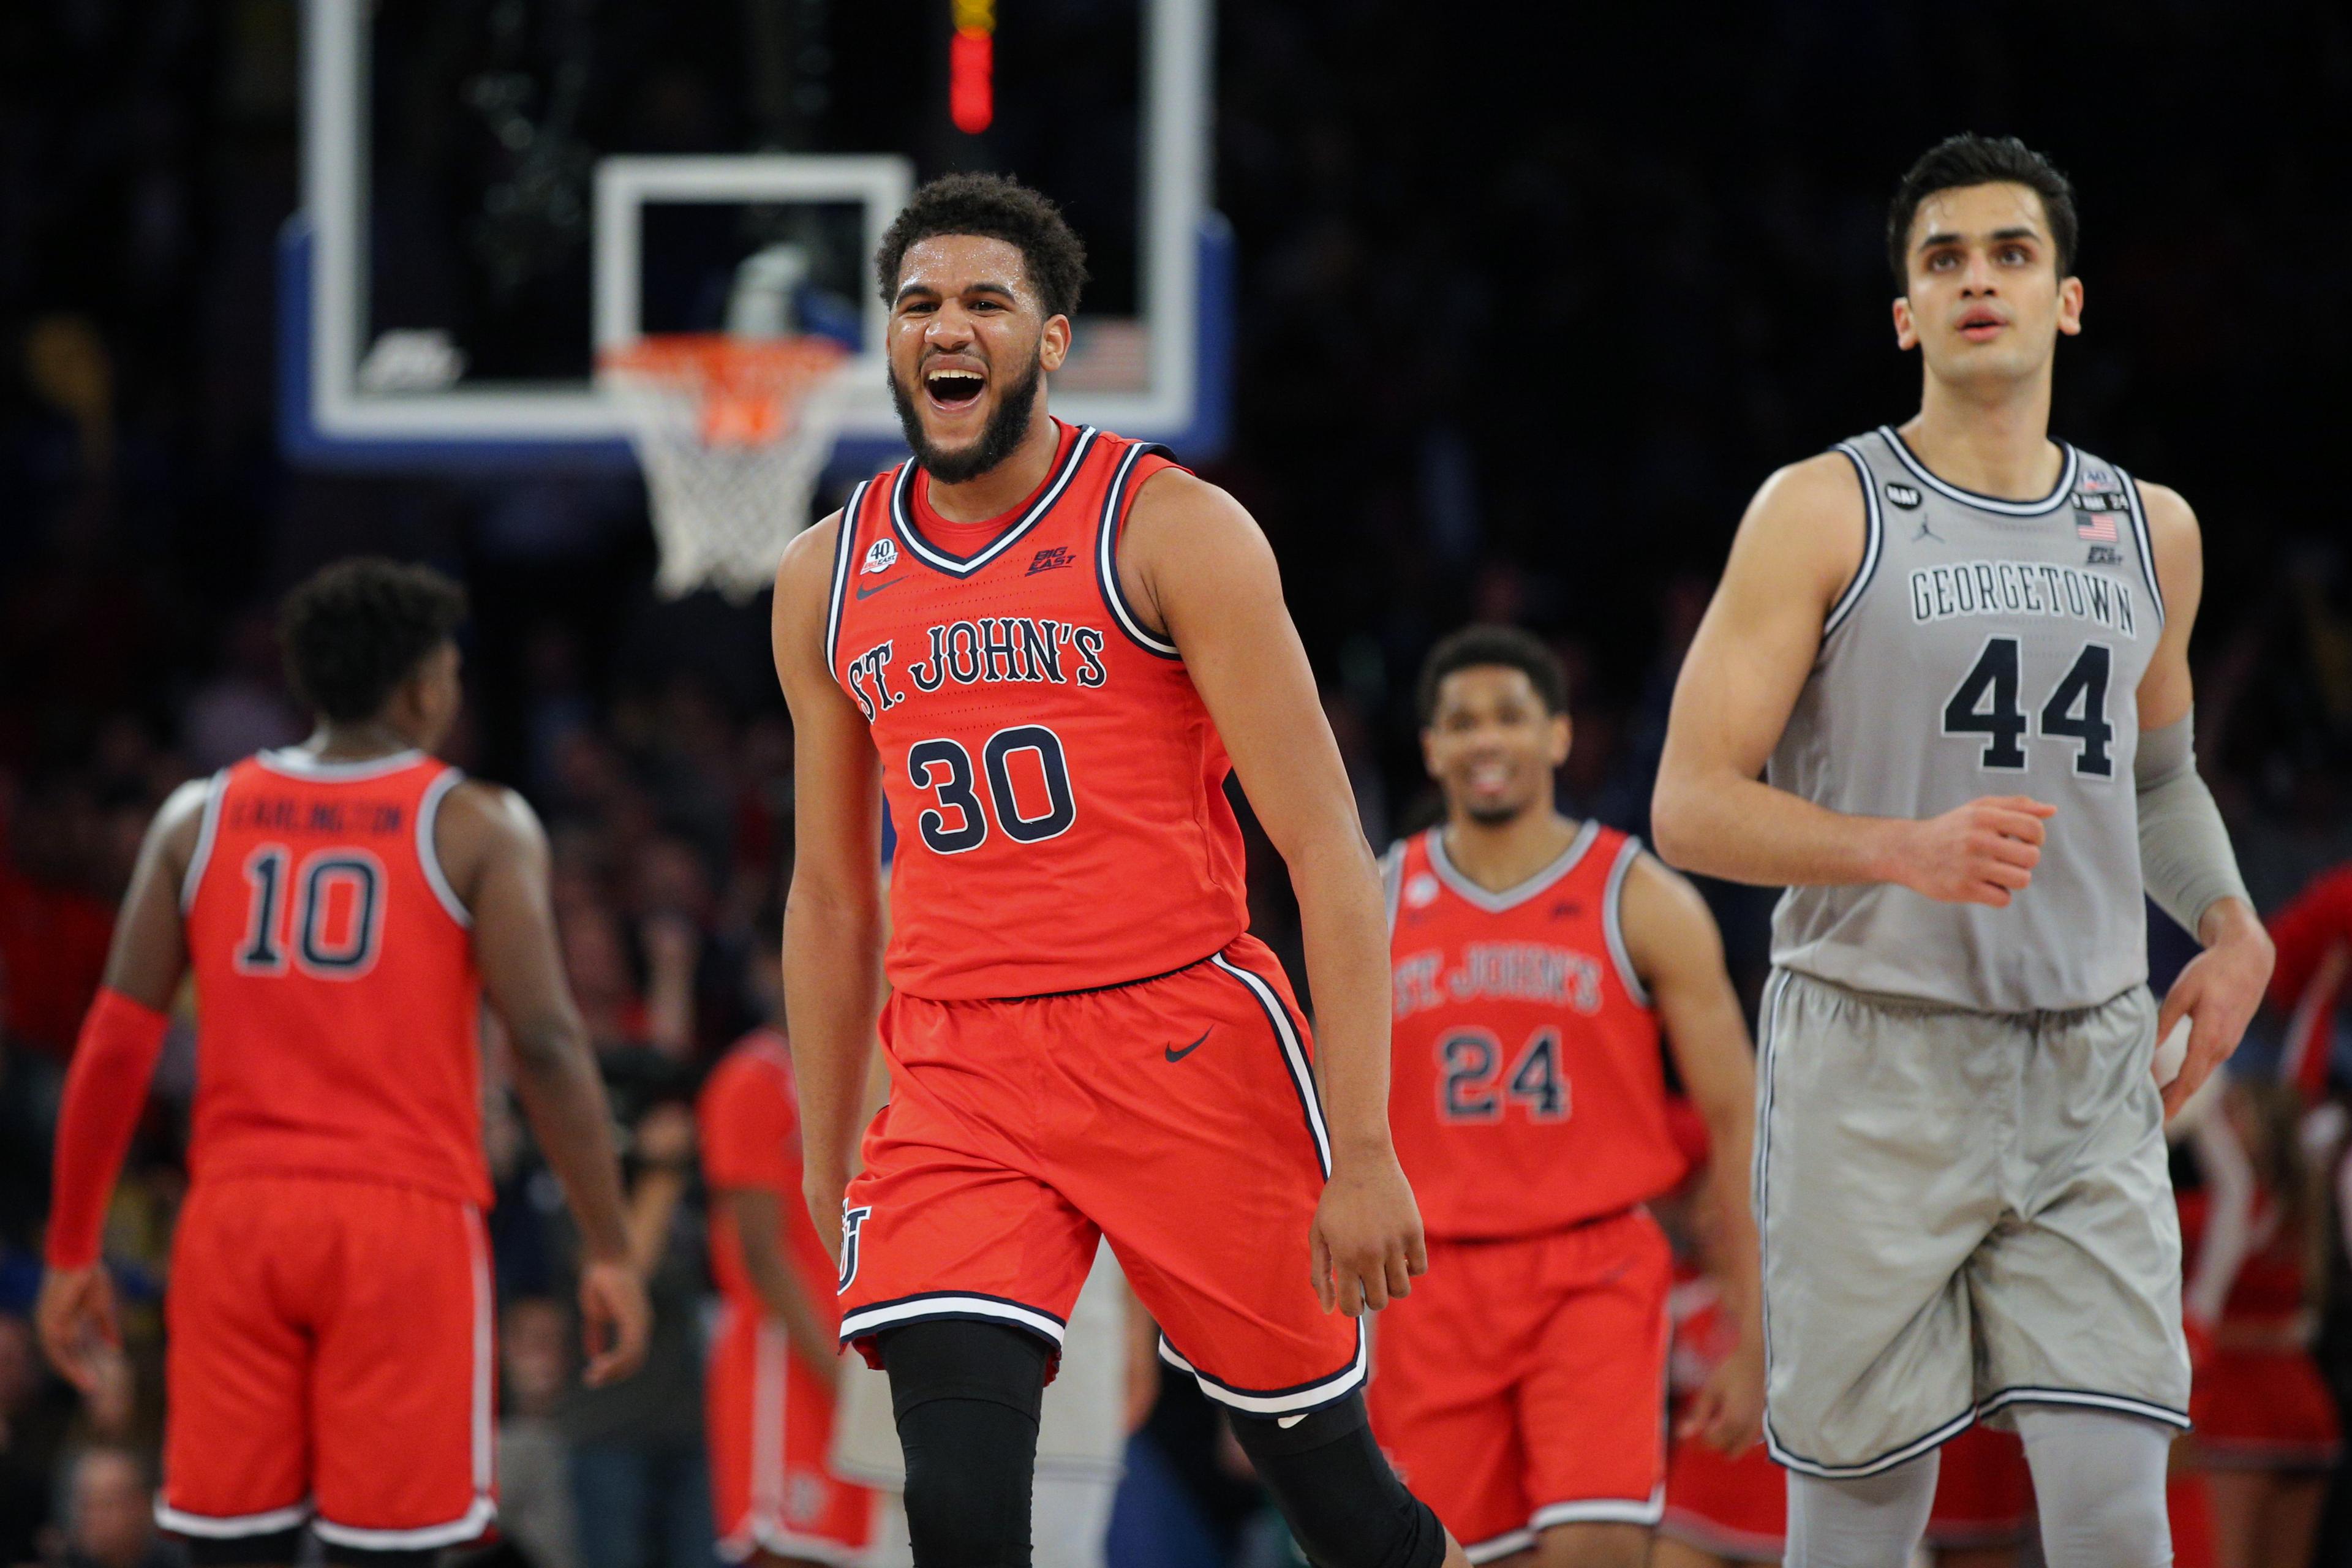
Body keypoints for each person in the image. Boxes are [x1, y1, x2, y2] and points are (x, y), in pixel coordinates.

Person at [769, 172, 1465, 1567]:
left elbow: (1324, 840)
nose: (945, 327)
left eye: (984, 301)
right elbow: (834, 893)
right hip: (959, 1065)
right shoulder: (824, 574)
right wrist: (823, 1136)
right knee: (958, 1509)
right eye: (917, 303)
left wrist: (1367, 1140)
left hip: (1177, 1040)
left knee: (1341, 1509)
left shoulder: (1171, 528)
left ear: (1052, 337)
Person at [1650, 133, 2276, 1568]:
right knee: (1862, 1520)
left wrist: (2230, 922)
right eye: (1942, 259)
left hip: (2084, 1059)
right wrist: (1895, 847)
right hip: (1873, 1056)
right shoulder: (1821, 506)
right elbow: (1688, 799)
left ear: (2065, 299)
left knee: (2120, 1508)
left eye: (2008, 254)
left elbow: (2160, 778)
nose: (1975, 279)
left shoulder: (2148, 527)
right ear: (1903, 314)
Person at [36, 559, 651, 1565]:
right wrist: (610, 1246)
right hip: (400, 1221)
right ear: (419, 688)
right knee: (390, 1552)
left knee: (235, 1547)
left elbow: (114, 1045)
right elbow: (543, 1044)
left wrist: (71, 1250)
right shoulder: (475, 823)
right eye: (449, 673)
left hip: (238, 1217)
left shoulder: (196, 816)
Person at [1370, 626, 1763, 1567]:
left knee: (1598, 1547)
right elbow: (1323, 1131)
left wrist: (1756, 1331)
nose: (1485, 740)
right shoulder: (1376, 900)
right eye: (1460, 723)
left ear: (1557, 735)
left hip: (1596, 1269)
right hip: (1434, 1283)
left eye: (1510, 716)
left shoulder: (1639, 895)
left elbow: (1738, 1117)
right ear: (1431, 748)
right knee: (1452, 1555)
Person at [699, 963, 874, 1567]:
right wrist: (843, 1379)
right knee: (788, 1548)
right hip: (786, 1360)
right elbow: (762, 1254)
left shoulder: (855, 1075)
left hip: (850, 1358)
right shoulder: (754, 1078)